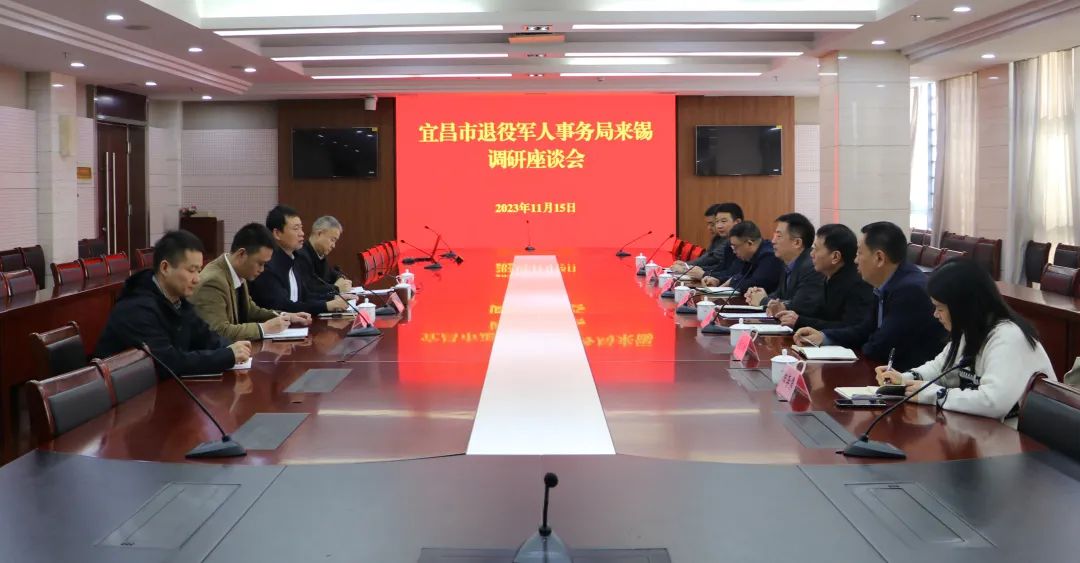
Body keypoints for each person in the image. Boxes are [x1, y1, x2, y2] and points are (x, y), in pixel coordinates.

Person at [875, 259, 1055, 421]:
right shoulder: (970, 330)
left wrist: (936, 395)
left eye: (940, 308)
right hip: (985, 431)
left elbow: (993, 402)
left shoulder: (1008, 337)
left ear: (963, 306)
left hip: (1022, 440)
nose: (935, 315)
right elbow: (940, 368)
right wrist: (904, 379)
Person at [794, 221, 946, 371]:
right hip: (885, 369)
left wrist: (860, 346)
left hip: (908, 376)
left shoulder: (909, 290)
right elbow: (864, 330)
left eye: (859, 253)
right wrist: (824, 337)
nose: (855, 260)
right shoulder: (887, 282)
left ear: (879, 258)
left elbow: (881, 346)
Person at [95, 230, 250, 376]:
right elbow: (168, 363)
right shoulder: (137, 309)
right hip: (129, 392)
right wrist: (226, 356)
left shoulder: (178, 300)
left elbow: (205, 336)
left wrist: (232, 348)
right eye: (191, 270)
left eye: (199, 270)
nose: (197, 279)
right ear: (165, 268)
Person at [191, 223, 312, 341]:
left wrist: (286, 316)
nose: (262, 269)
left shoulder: (238, 272)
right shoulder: (213, 282)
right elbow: (218, 332)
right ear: (242, 254)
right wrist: (264, 328)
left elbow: (251, 311)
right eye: (260, 263)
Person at [249, 205, 349, 315]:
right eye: (296, 229)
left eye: (301, 228)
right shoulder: (267, 266)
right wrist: (326, 305)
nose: (302, 233)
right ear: (277, 233)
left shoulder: (293, 260)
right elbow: (284, 306)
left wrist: (334, 297)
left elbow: (304, 296)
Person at [776, 224, 875, 331]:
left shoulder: (857, 284)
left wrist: (800, 321)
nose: (811, 254)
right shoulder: (829, 276)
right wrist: (788, 311)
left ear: (835, 257)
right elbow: (818, 313)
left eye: (816, 249)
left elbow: (850, 327)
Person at [745, 212, 824, 317]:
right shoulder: (787, 262)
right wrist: (758, 295)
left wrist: (763, 300)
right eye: (774, 235)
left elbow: (799, 306)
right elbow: (780, 295)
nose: (773, 241)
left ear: (797, 243)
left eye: (779, 236)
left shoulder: (811, 266)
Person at [671, 202, 744, 284]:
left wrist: (691, 270)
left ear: (737, 222)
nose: (719, 226)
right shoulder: (726, 242)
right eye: (717, 222)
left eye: (723, 221)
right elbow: (721, 268)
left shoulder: (743, 243)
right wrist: (693, 269)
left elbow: (733, 274)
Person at [704, 221, 783, 293]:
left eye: (735, 247)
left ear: (749, 243)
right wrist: (718, 280)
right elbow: (741, 275)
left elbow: (754, 284)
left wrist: (732, 281)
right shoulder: (751, 255)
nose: (734, 251)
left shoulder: (769, 256)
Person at [295, 215, 353, 301]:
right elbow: (309, 290)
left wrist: (341, 278)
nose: (333, 245)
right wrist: (336, 288)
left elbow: (332, 274)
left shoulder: (320, 255)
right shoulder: (301, 256)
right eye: (332, 240)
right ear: (319, 234)